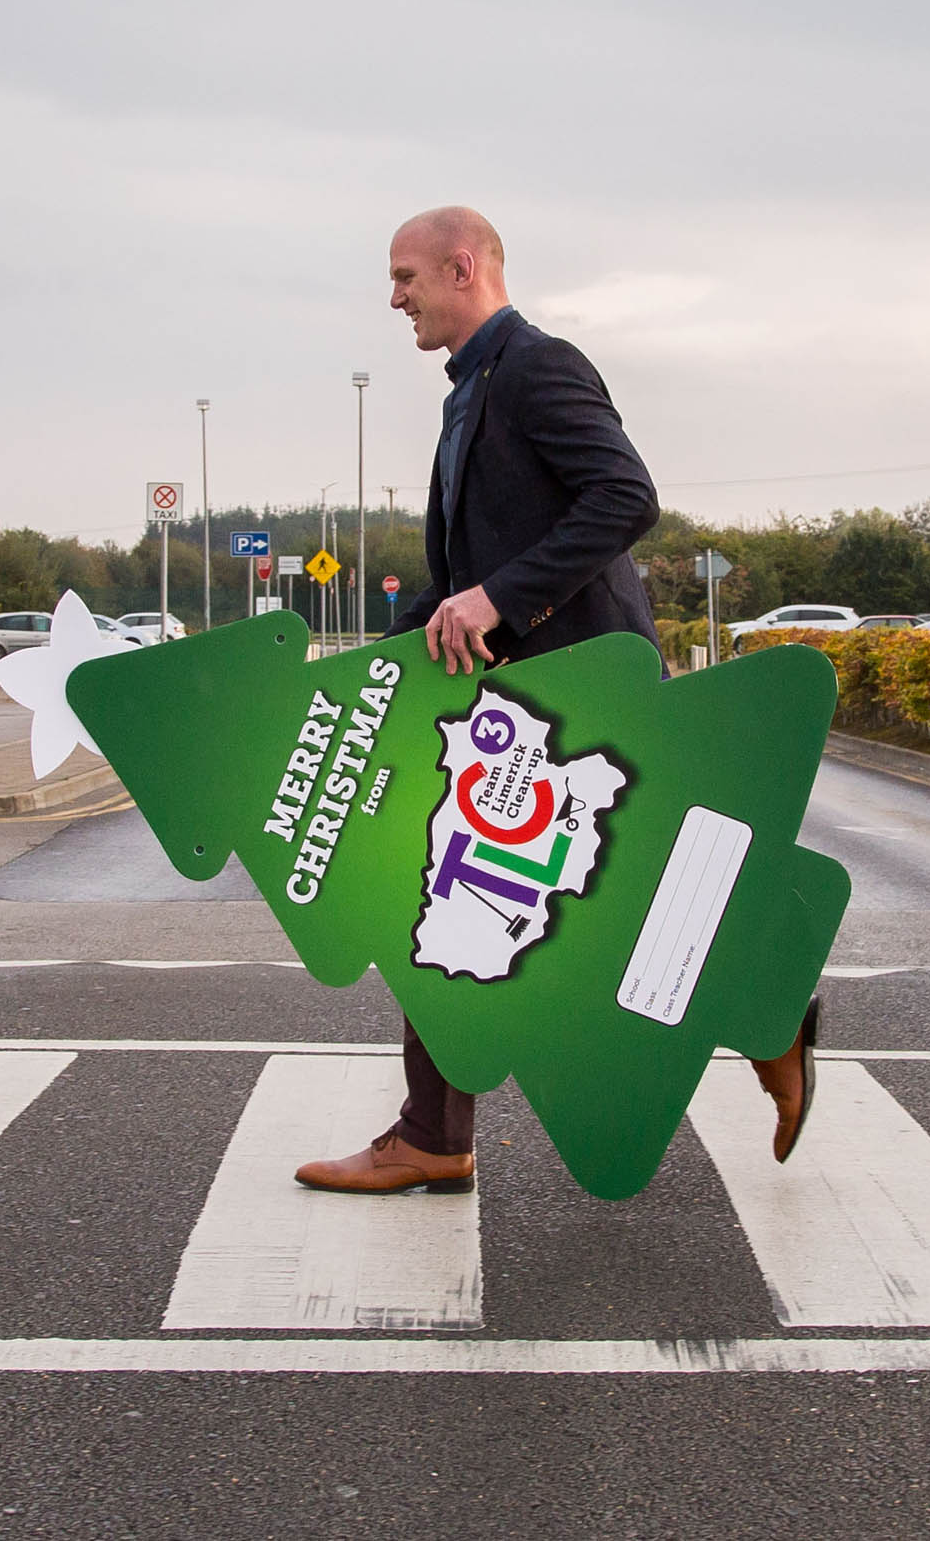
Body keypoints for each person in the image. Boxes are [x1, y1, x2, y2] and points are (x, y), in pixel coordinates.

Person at [294, 206, 820, 1195]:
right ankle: (435, 1131)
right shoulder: (471, 392)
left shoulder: (538, 366)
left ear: (462, 268)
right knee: (449, 891)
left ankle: (768, 1003)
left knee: (592, 903)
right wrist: (379, 655)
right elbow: (467, 566)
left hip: (584, 696)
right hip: (525, 701)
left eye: (405, 275)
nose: (393, 295)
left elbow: (624, 495)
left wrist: (502, 597)